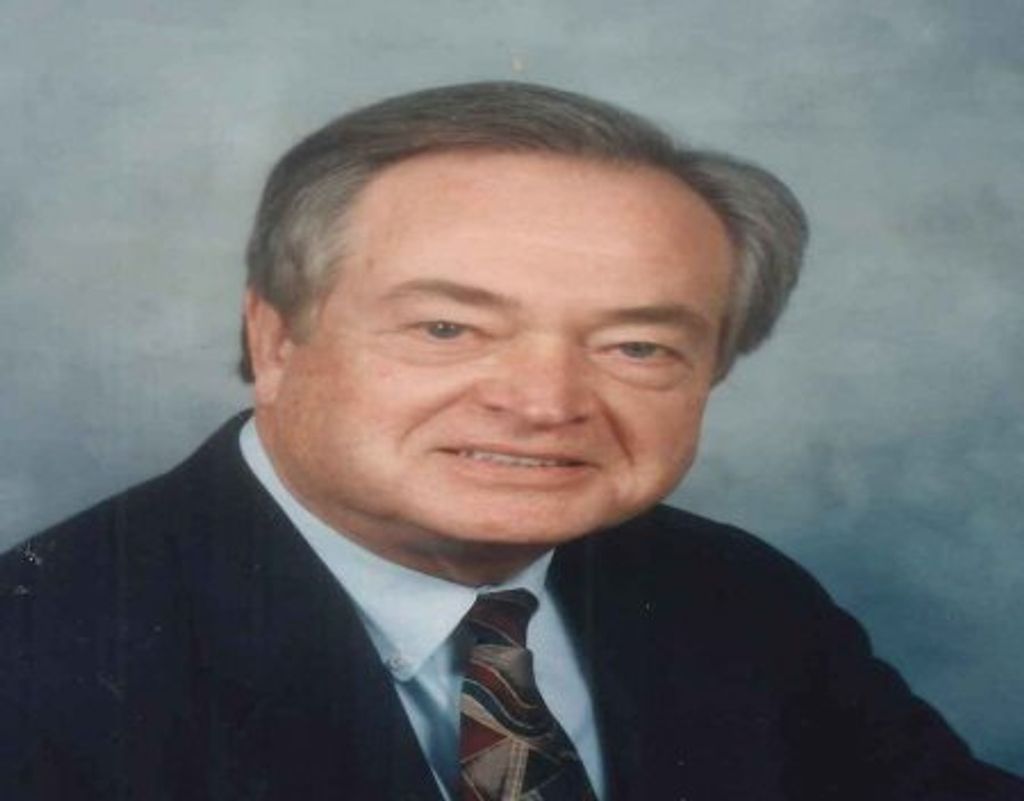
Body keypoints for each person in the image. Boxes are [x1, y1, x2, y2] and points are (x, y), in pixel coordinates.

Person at [0, 81, 1020, 801]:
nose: (543, 403)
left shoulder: (736, 599)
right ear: (275, 341)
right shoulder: (38, 662)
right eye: (449, 329)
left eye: (635, 346)